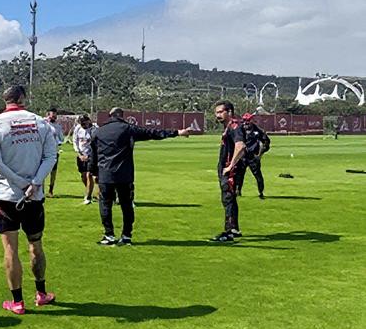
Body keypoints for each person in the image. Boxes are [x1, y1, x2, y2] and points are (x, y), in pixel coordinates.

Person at [0, 85, 57, 315]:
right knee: (35, 245)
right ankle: (41, 293)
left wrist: (20, 183)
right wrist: (34, 182)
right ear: (23, 99)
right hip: (34, 197)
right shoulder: (40, 122)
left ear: (5, 100)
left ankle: (17, 302)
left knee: (10, 250)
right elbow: (51, 156)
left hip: (7, 196)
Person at [89, 108, 191, 246]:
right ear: (122, 116)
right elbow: (152, 133)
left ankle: (109, 235)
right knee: (126, 206)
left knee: (105, 204)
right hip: (125, 175)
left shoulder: (99, 132)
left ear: (109, 116)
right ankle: (126, 235)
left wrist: (94, 173)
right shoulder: (128, 129)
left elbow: (93, 155)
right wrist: (177, 132)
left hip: (105, 175)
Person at [210, 100, 246, 242]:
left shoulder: (234, 127)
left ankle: (229, 231)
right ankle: (234, 229)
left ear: (229, 112)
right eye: (216, 113)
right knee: (229, 199)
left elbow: (241, 146)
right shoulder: (228, 127)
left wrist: (230, 166)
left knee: (228, 199)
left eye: (220, 112)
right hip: (227, 170)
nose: (217, 115)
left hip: (231, 171)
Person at [238, 113, 270, 199]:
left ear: (251, 121)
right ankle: (238, 191)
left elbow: (266, 142)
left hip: (253, 157)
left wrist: (260, 154)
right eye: (244, 121)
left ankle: (261, 192)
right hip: (242, 156)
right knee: (239, 175)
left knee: (258, 175)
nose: (246, 123)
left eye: (248, 121)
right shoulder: (239, 130)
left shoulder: (258, 131)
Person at [73, 115, 96, 205]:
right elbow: (75, 141)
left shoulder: (95, 129)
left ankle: (88, 196)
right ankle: (90, 191)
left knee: (89, 175)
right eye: (81, 123)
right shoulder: (78, 129)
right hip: (81, 155)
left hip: (91, 156)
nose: (83, 125)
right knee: (83, 176)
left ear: (89, 121)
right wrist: (79, 154)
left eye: (84, 123)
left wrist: (90, 155)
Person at [44, 108, 64, 197]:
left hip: (54, 151)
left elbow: (61, 138)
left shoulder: (57, 126)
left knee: (53, 172)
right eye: (52, 115)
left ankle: (51, 190)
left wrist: (58, 141)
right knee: (42, 170)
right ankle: (40, 190)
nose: (54, 117)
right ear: (47, 114)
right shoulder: (43, 123)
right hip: (43, 151)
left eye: (55, 115)